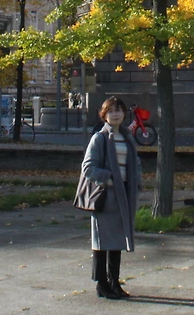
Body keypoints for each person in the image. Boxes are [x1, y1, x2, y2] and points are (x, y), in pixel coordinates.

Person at [79, 96, 140, 300]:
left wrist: (136, 181)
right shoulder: (100, 138)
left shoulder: (127, 137)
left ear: (124, 113)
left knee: (117, 241)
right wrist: (109, 178)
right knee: (102, 241)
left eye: (118, 110)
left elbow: (135, 163)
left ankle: (114, 282)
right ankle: (102, 283)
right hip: (106, 196)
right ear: (104, 115)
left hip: (124, 195)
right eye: (111, 111)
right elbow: (88, 168)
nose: (115, 114)